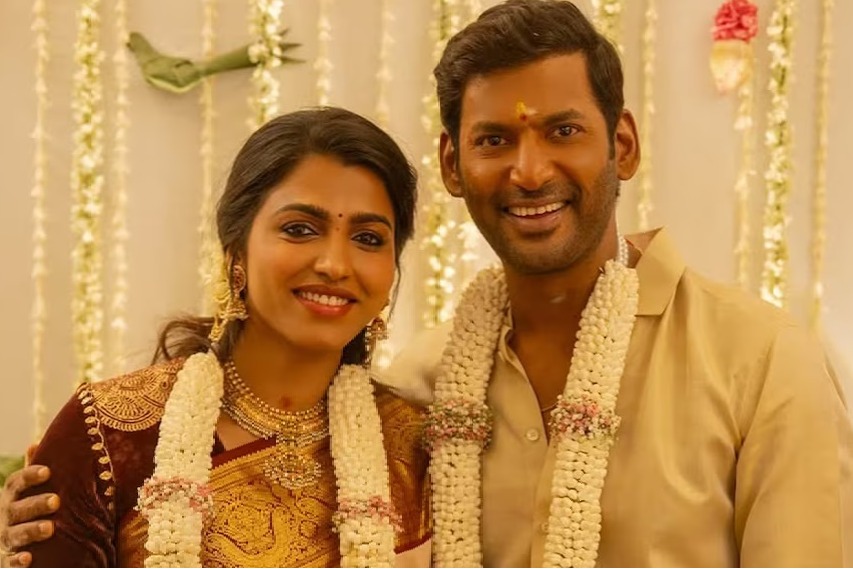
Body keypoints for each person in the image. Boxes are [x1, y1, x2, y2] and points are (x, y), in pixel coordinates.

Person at [4, 0, 853, 567]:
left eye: (563, 131)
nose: (529, 170)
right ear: (452, 163)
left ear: (621, 145)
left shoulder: (759, 362)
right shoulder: (426, 391)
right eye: (493, 140)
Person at [0, 107, 430, 567]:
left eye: (368, 239)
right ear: (235, 251)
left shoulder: (418, 450)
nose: (335, 264)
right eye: (299, 230)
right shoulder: (108, 435)